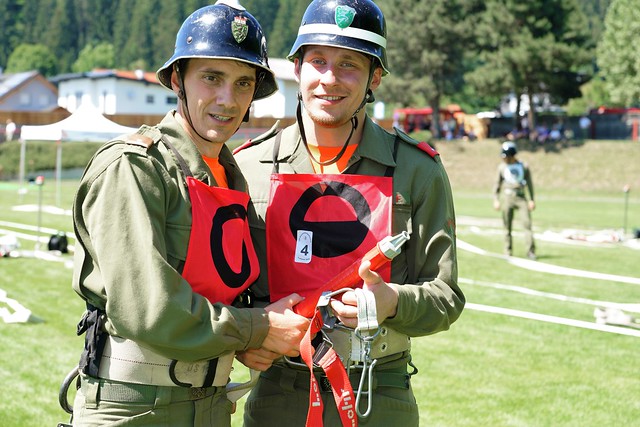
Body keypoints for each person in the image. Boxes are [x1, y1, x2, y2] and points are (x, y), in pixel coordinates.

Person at [64, 2, 309, 426]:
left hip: (211, 404)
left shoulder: (230, 176)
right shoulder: (136, 167)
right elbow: (150, 309)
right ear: (178, 79)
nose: (227, 99)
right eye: (211, 78)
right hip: (136, 407)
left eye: (243, 83)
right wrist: (257, 328)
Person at [234, 1, 465, 425]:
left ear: (375, 76)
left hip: (378, 391)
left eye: (349, 65)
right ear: (297, 68)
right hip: (280, 393)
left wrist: (392, 301)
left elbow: (445, 297)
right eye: (318, 61)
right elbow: (221, 290)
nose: (330, 79)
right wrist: (248, 335)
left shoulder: (417, 170)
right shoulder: (247, 166)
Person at [493, 141, 536, 259]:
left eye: (506, 156)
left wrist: (532, 199)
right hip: (507, 197)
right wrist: (496, 199)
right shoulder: (502, 167)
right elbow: (497, 184)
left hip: (521, 197)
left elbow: (530, 184)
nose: (504, 159)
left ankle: (530, 251)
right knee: (507, 226)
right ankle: (507, 251)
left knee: (527, 224)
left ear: (512, 155)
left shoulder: (523, 166)